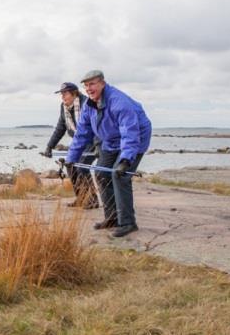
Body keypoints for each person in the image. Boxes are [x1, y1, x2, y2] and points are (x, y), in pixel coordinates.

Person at [65, 70, 152, 237]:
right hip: (110, 141)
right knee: (101, 174)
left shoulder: (119, 102)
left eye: (92, 84)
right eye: (86, 86)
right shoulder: (88, 106)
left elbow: (130, 132)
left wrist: (126, 160)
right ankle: (112, 218)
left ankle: (128, 223)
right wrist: (71, 158)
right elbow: (82, 133)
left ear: (102, 83)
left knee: (120, 176)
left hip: (135, 138)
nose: (89, 89)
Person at [43, 82, 99, 209]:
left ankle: (92, 200)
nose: (62, 97)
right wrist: (50, 146)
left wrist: (98, 145)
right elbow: (60, 127)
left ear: (74, 93)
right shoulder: (64, 107)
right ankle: (81, 198)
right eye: (61, 94)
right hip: (78, 141)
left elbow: (97, 126)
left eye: (65, 93)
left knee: (82, 166)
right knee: (70, 165)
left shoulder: (87, 103)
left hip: (92, 140)